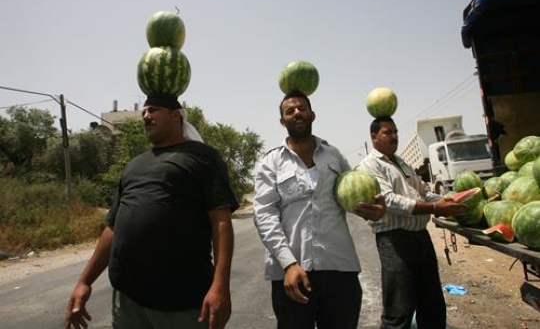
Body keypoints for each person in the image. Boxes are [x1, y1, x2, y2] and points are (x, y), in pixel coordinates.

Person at [64, 94, 239, 329]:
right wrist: (84, 281)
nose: (146, 115)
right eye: (144, 112)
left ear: (176, 115)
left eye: (154, 110)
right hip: (128, 301)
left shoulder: (201, 157)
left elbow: (221, 223)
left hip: (182, 303)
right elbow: (113, 227)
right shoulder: (134, 165)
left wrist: (220, 287)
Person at [253, 91, 387, 329]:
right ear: (282, 121)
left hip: (339, 269)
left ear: (312, 114)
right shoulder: (269, 162)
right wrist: (288, 263)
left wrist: (371, 210)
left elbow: (351, 194)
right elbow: (265, 215)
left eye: (302, 108)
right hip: (291, 273)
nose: (297, 113)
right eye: (289, 110)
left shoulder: (333, 155)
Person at [357, 116, 467, 329]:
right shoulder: (369, 166)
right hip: (394, 242)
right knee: (399, 312)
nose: (394, 136)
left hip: (421, 239)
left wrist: (449, 201)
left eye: (395, 131)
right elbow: (390, 201)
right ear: (374, 137)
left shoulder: (402, 163)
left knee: (432, 305)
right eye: (387, 132)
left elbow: (423, 192)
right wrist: (436, 209)